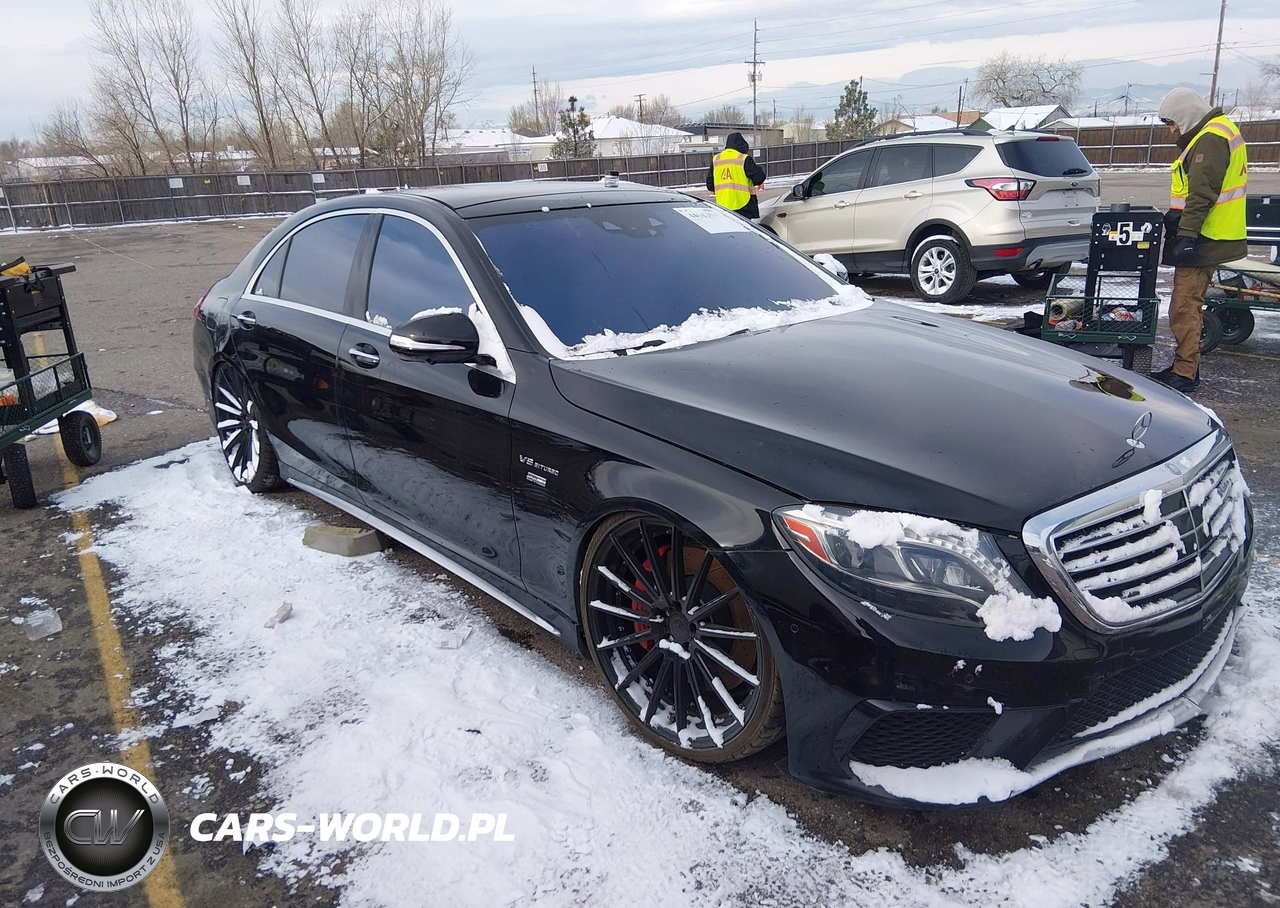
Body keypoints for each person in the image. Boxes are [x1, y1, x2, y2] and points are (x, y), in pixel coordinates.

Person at [1153, 88, 1248, 393]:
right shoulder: (1216, 132)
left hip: (1206, 238)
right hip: (1209, 234)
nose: (1172, 131)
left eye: (1172, 124)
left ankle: (1185, 372)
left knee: (1184, 306)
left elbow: (1202, 194)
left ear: (1184, 116)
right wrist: (1176, 215)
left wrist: (1187, 235)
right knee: (1187, 305)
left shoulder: (1210, 138)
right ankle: (1185, 367)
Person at [706, 132, 766, 219]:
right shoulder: (744, 158)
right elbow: (760, 178)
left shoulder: (716, 159)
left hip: (723, 206)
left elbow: (710, 185)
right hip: (743, 205)